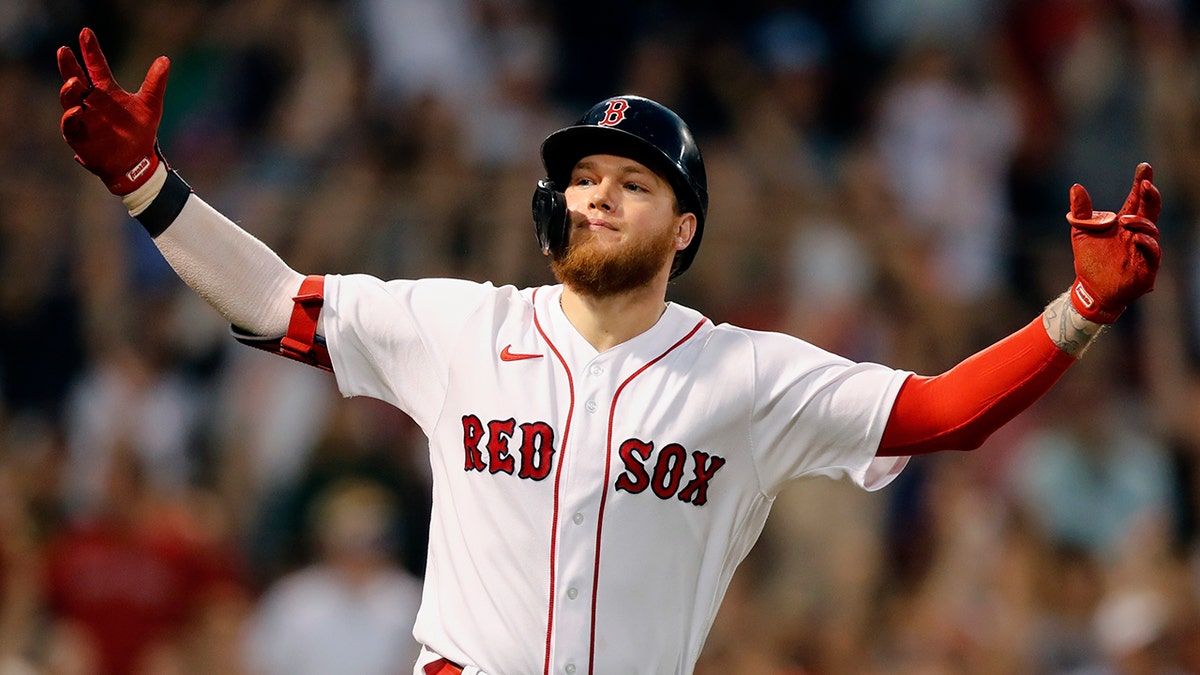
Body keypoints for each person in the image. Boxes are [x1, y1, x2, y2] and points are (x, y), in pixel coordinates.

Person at [55, 27, 1161, 675]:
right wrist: (148, 188)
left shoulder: (746, 374)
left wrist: (1079, 309)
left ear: (685, 228)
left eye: (631, 182)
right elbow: (274, 303)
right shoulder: (464, 327)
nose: (596, 195)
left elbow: (941, 414)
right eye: (583, 176)